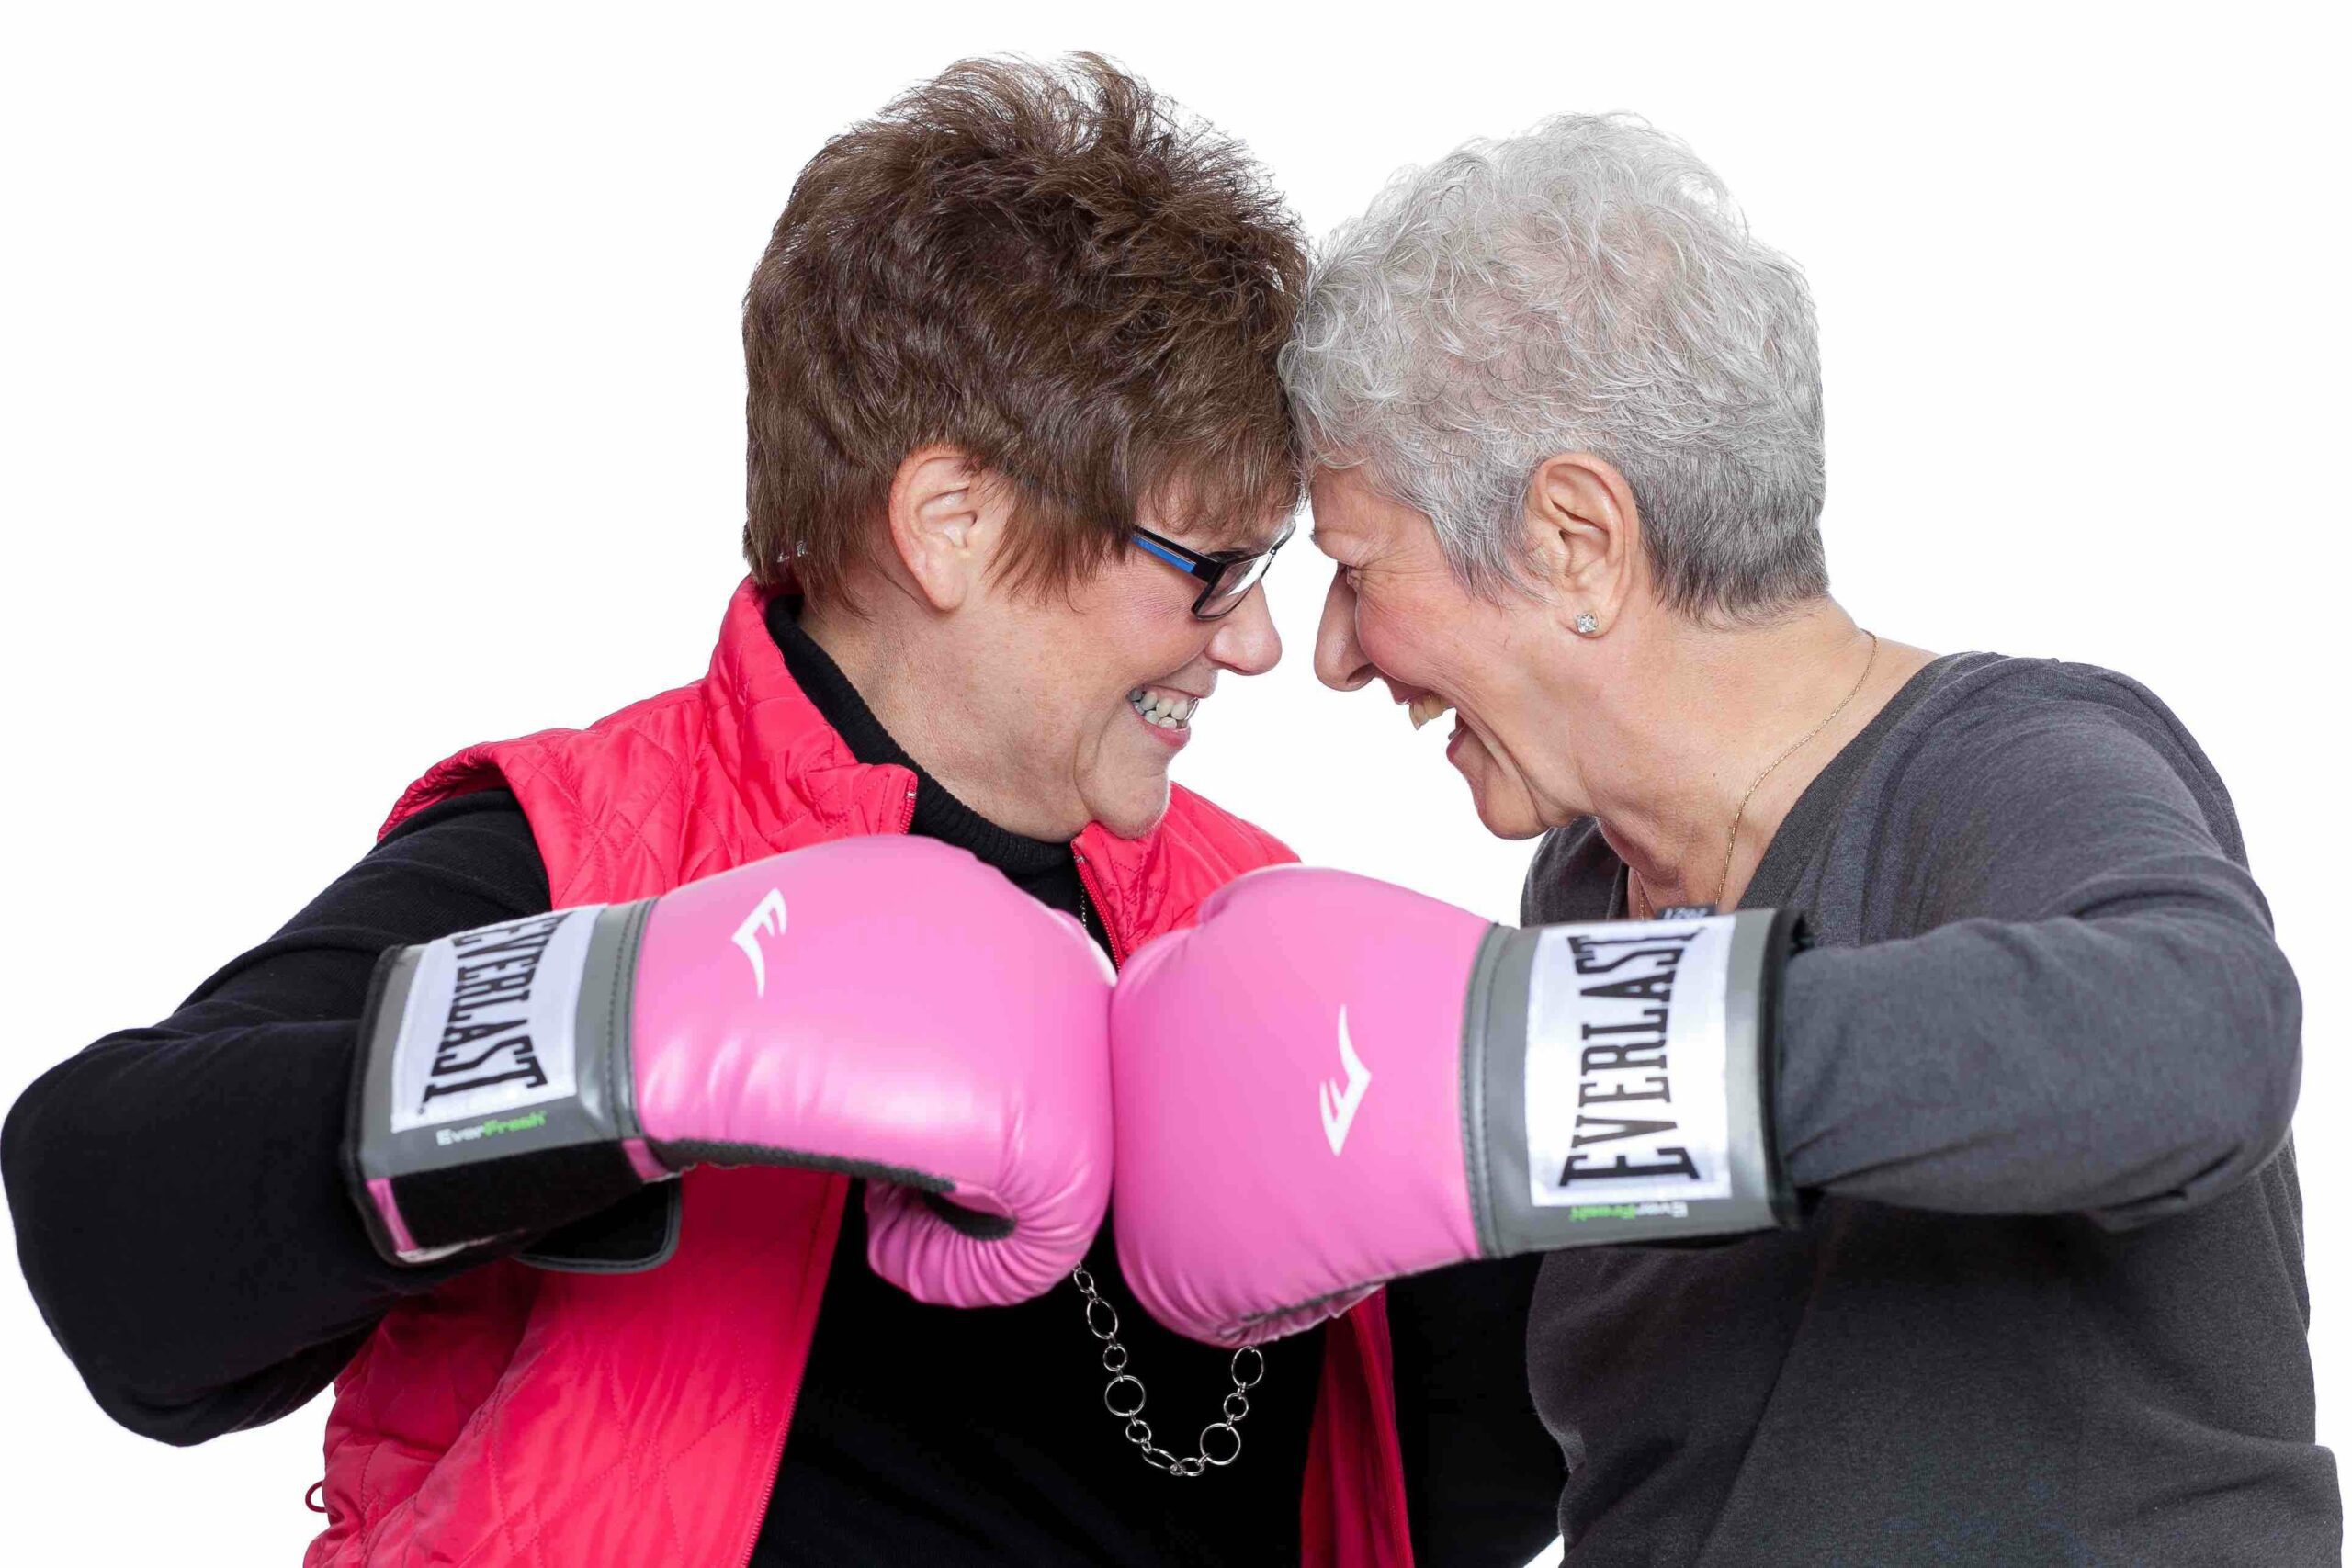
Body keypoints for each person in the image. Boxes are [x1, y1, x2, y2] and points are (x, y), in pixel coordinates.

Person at [1, 57, 1562, 1567]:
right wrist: (625, 1039)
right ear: (952, 522)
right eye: (1205, 568)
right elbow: (111, 1240)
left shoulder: (1243, 923)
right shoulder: (585, 852)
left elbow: (1457, 1508)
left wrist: (1468, 1229)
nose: (1254, 643)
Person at [1106, 113, 2339, 1563]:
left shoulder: (2004, 766)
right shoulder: (1584, 892)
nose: (1337, 653)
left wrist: (1567, 1064)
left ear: (1575, 538)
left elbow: (2205, 1040)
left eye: (1360, 570)